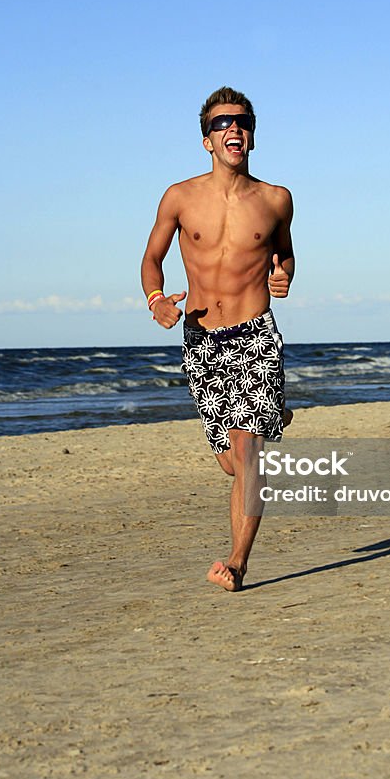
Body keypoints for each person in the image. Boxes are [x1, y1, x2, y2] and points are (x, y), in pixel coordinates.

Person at [141, 86, 294, 592]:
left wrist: (284, 277)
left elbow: (285, 255)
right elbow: (151, 259)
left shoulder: (276, 200)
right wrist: (157, 299)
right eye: (221, 123)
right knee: (231, 463)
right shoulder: (179, 197)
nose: (233, 129)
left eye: (242, 121)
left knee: (248, 452)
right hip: (201, 340)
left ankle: (237, 563)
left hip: (255, 334)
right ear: (206, 139)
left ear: (252, 134)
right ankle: (275, 413)